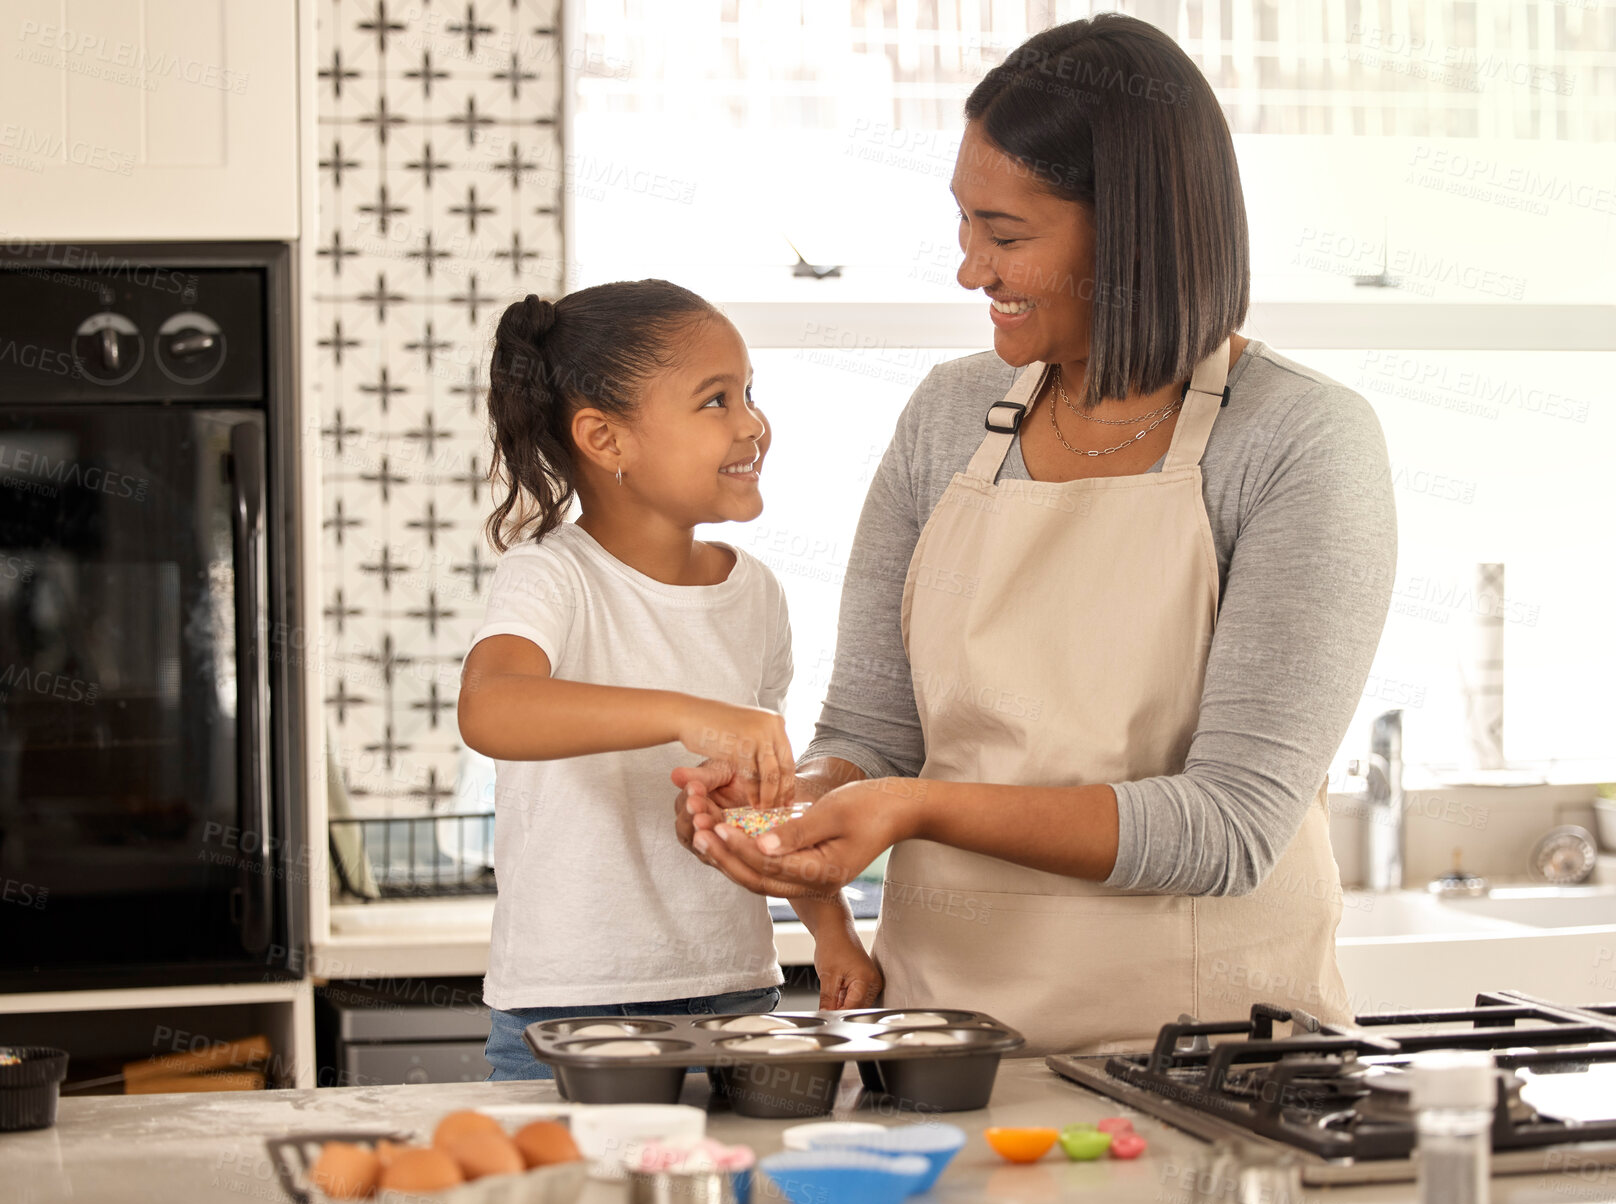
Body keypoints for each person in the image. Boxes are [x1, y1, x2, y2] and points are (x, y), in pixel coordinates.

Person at [677, 15, 1398, 1056]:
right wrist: (789, 802)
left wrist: (910, 808)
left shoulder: (1296, 440)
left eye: (1005, 235)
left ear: (1132, 232)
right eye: (964, 225)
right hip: (946, 1056)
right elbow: (872, 736)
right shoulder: (945, 416)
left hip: (1211, 1074)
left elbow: (1232, 826)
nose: (969, 269)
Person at [460, 280, 879, 1081]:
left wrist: (830, 931)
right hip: (572, 1006)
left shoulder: (754, 592)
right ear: (605, 438)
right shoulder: (551, 575)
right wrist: (692, 715)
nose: (752, 422)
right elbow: (490, 707)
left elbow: (766, 798)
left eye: (749, 393)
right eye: (715, 400)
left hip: (735, 995)